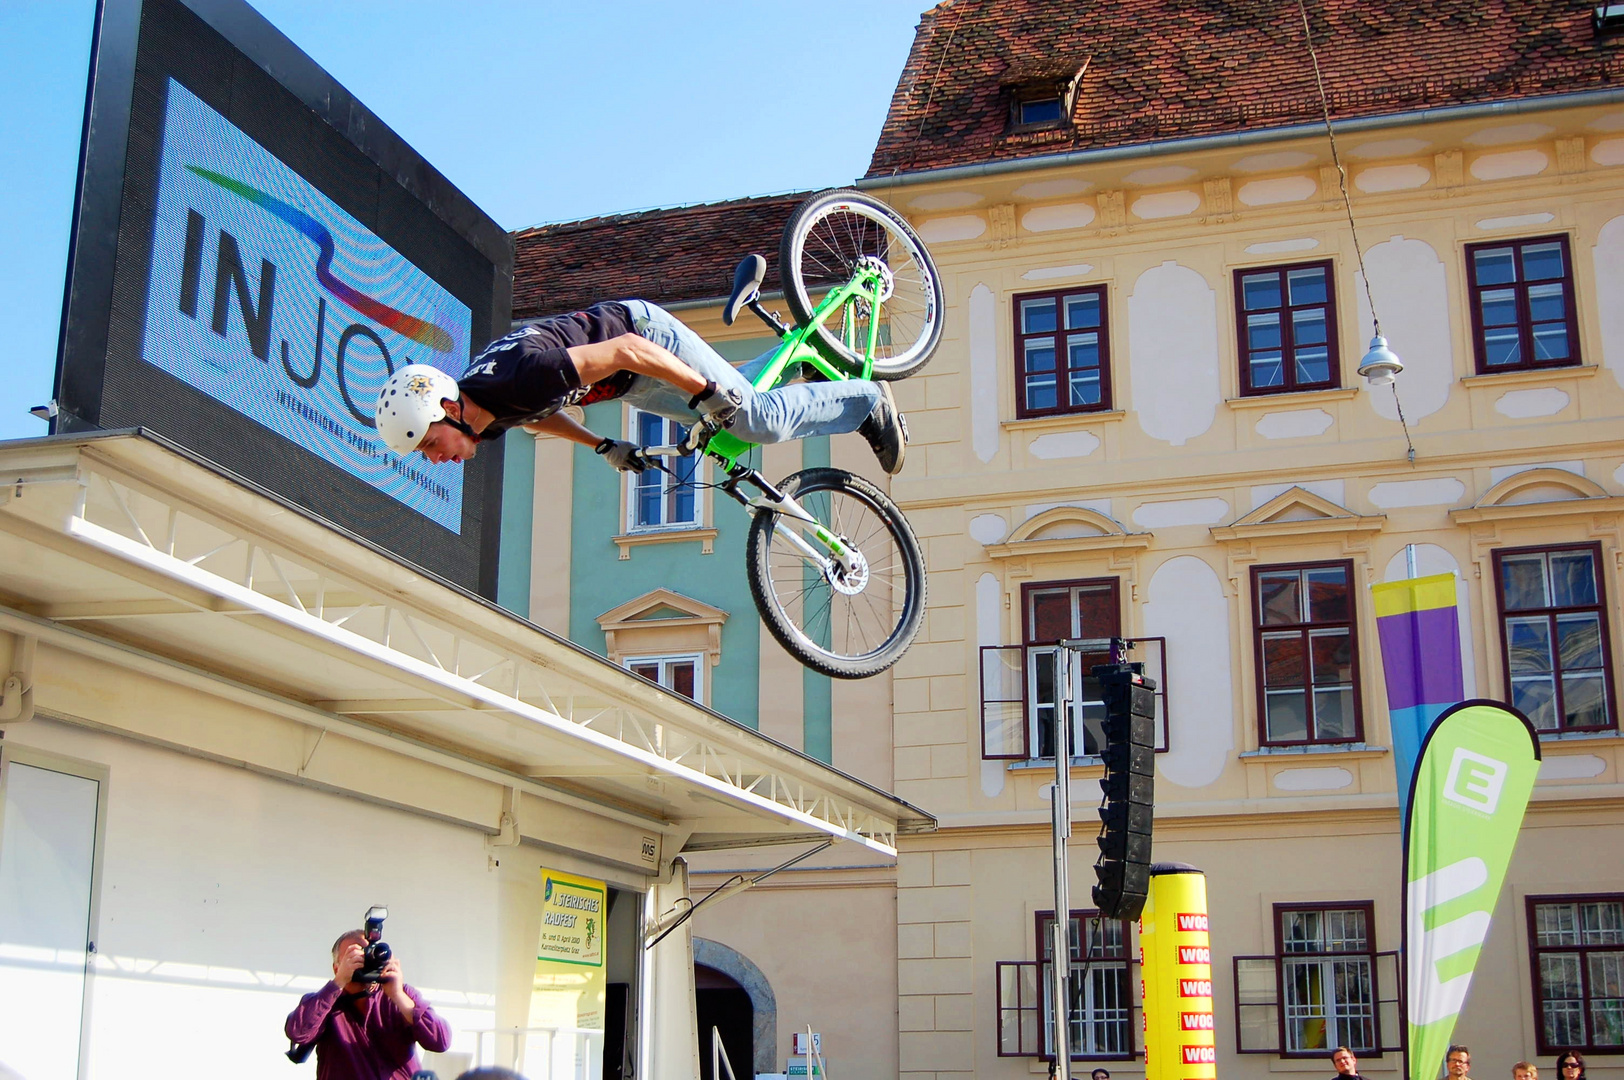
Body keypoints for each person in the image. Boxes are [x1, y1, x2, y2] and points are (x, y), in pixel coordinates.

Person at [375, 300, 909, 476]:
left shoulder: (520, 376)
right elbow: (535, 416)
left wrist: (703, 390)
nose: (433, 458)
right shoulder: (485, 412)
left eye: (426, 443)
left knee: (751, 419)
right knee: (728, 427)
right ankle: (806, 366)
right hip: (630, 385)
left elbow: (628, 347)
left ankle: (866, 402)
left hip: (643, 339)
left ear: (448, 408)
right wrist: (604, 446)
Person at [284, 928, 451, 1080]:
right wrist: (338, 982)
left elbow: (440, 1041)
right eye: (355, 956)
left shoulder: (401, 995)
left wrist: (398, 995)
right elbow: (298, 1033)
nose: (364, 961)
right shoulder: (324, 1002)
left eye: (369, 954)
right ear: (337, 968)